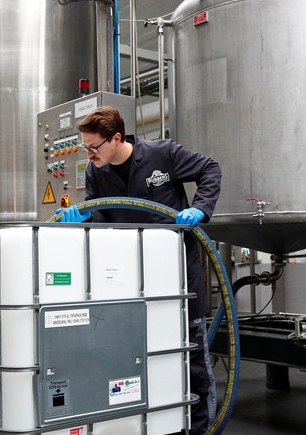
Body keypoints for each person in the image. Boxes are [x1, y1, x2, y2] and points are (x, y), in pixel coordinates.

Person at [56, 106, 222, 435]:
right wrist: (84, 219)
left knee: (193, 365)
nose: (89, 155)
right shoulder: (95, 174)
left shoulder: (163, 154)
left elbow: (210, 170)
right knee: (140, 363)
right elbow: (101, 217)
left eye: (94, 147)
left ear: (116, 138)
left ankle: (201, 430)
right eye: (84, 148)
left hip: (177, 281)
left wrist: (199, 209)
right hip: (129, 284)